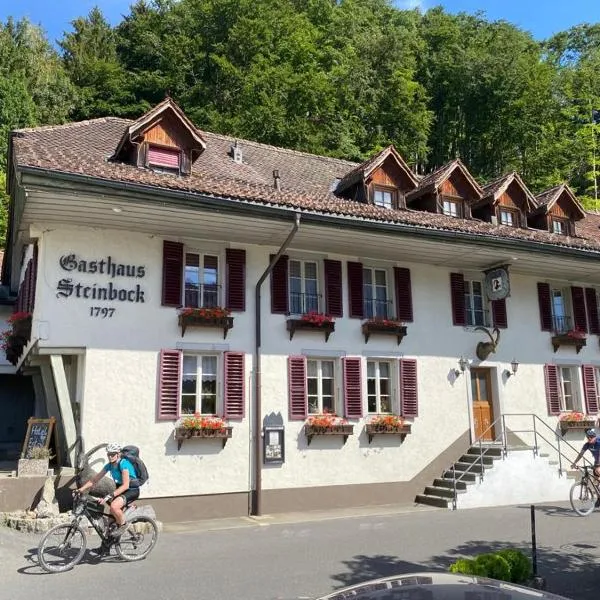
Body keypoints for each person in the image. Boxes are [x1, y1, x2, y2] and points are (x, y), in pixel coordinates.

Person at [76, 442, 139, 550]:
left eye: (112, 454)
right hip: (119, 490)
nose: (110, 456)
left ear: (118, 454)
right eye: (108, 454)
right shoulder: (109, 465)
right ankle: (105, 548)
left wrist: (110, 495)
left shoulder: (124, 464)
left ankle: (123, 526)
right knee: (110, 522)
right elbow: (94, 480)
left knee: (114, 506)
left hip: (131, 490)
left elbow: (125, 485)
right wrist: (81, 489)